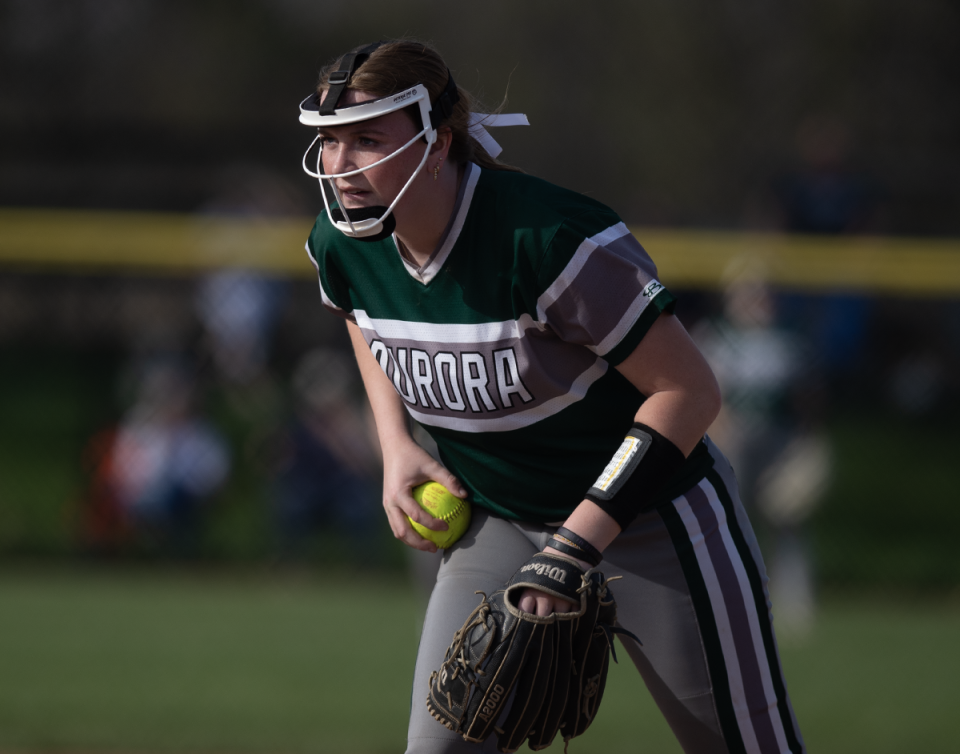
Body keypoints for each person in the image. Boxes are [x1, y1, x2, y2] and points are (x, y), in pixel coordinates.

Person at [297, 40, 805, 754]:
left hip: (655, 522)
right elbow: (360, 315)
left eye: (367, 140)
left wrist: (572, 549)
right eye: (329, 143)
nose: (339, 165)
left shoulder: (549, 238)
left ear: (437, 143)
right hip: (500, 520)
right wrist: (395, 443)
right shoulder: (344, 241)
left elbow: (689, 391)